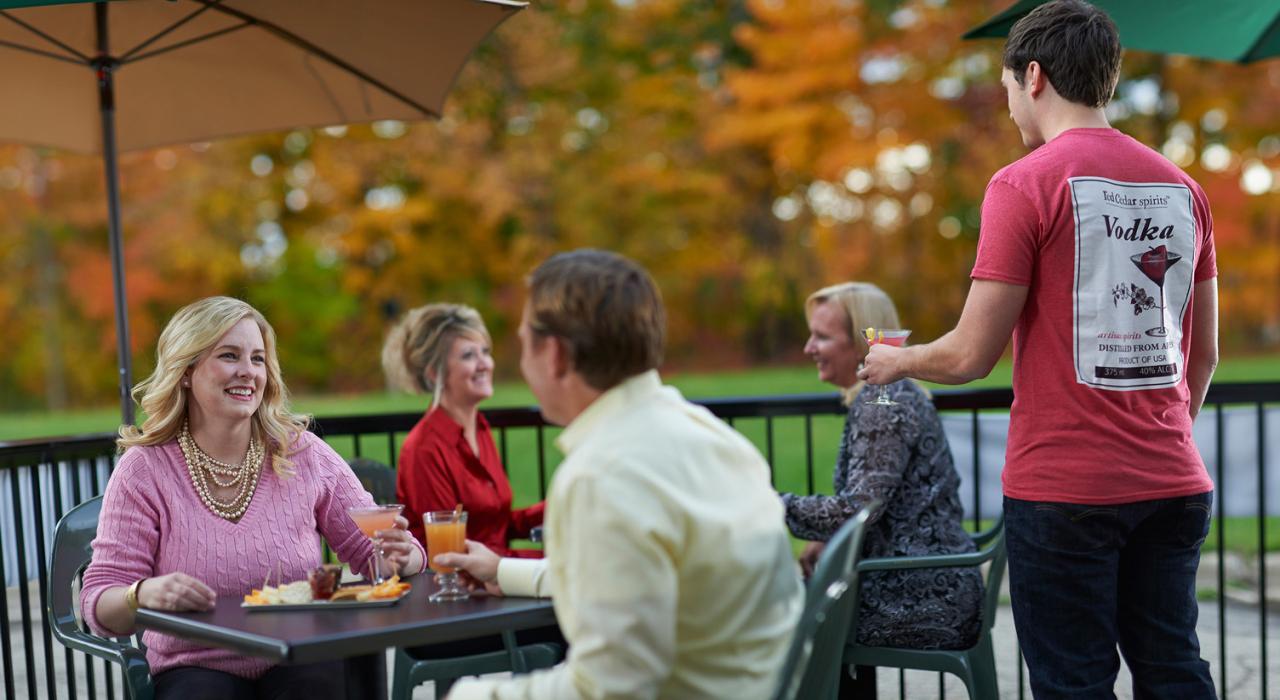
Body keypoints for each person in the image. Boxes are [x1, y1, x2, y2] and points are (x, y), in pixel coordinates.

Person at [859, 2, 1218, 697]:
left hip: (1065, 493)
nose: (1011, 111)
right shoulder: (1185, 190)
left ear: (1032, 76)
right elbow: (1201, 357)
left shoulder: (1024, 183)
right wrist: (1162, 432)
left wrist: (897, 360)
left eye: (1006, 92)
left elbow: (969, 357)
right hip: (1174, 480)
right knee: (1175, 669)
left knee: (1071, 682)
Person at [437, 249, 804, 699]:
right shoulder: (711, 436)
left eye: (522, 342)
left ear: (554, 355)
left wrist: (470, 696)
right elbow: (647, 585)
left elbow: (612, 690)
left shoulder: (602, 475)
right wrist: (505, 571)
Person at [81, 296, 426, 699]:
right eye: (229, 355)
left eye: (258, 359)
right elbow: (99, 601)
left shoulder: (302, 452)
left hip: (300, 654)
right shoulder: (145, 469)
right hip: (196, 665)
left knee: (323, 684)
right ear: (186, 370)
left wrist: (403, 556)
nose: (248, 372)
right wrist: (141, 594)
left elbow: (379, 555)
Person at [782, 282, 982, 655]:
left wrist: (768, 504)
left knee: (779, 614)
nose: (809, 348)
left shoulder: (882, 403)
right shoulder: (888, 396)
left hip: (918, 596)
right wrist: (826, 537)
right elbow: (880, 504)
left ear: (861, 346)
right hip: (924, 582)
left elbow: (858, 509)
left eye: (821, 337)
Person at [382, 303, 544, 558]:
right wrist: (541, 562)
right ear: (435, 373)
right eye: (469, 355)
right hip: (458, 587)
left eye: (486, 352)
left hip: (495, 575)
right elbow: (447, 551)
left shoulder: (479, 428)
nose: (485, 364)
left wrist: (555, 508)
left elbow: (496, 525)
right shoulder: (424, 448)